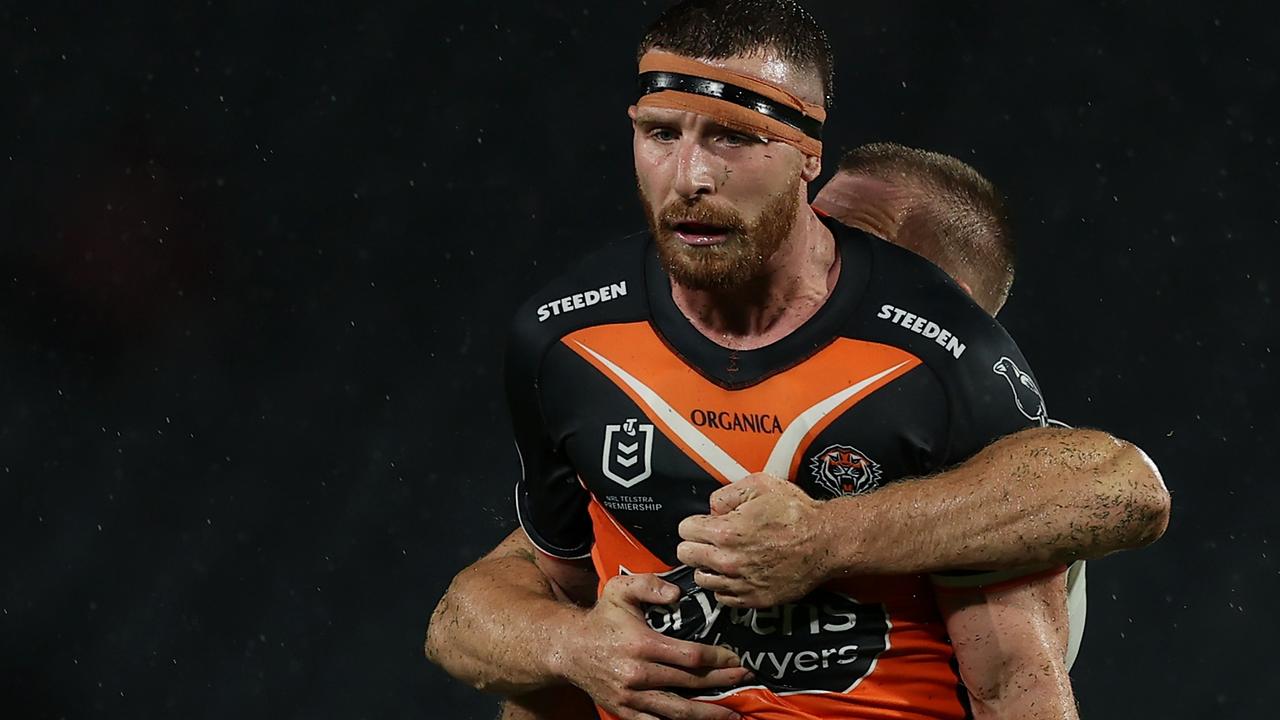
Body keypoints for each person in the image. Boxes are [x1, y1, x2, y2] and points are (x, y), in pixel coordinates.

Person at [427, 2, 1169, 718]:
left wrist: (822, 539)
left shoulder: (975, 431)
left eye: (870, 256)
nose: (819, 255)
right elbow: (493, 608)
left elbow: (1122, 493)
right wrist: (569, 646)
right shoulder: (585, 347)